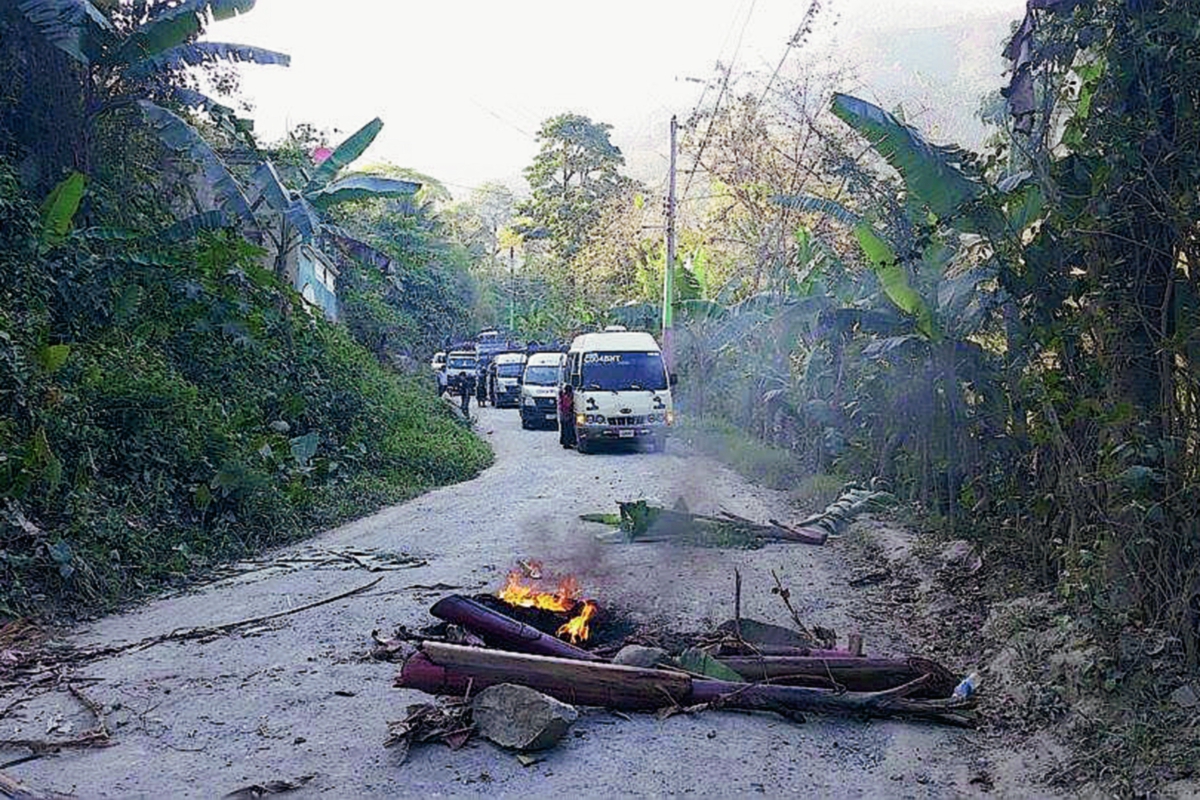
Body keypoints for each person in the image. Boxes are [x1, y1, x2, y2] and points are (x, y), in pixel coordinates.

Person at [558, 383, 576, 448]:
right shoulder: (567, 397)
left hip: (563, 415)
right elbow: (567, 405)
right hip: (566, 415)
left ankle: (565, 442)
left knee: (565, 430)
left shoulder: (563, 395)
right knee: (567, 430)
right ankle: (567, 443)